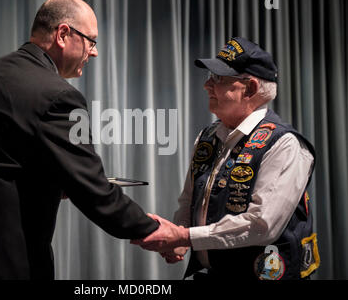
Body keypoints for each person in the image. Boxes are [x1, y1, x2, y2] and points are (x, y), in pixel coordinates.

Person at [0, 0, 160, 280]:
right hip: (8, 261)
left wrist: (49, 181)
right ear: (63, 34)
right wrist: (154, 229)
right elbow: (92, 191)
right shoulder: (59, 96)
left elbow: (0, 164)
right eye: (92, 41)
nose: (95, 53)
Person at [132, 37, 320, 280]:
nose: (207, 85)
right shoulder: (207, 137)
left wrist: (186, 236)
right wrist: (178, 234)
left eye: (218, 79)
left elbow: (262, 225)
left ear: (250, 89)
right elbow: (189, 200)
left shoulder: (285, 144)